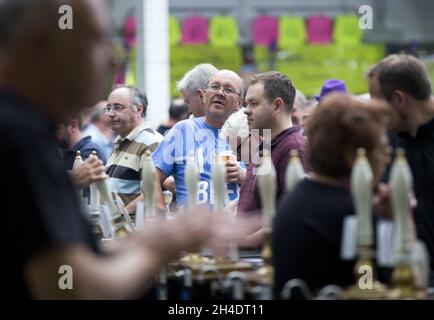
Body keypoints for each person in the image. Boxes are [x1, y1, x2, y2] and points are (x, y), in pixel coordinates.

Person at [0, 0, 256, 299]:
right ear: (38, 45)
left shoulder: (26, 130)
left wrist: (144, 241)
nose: (113, 59)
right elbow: (75, 287)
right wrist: (159, 248)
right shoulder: (18, 136)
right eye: (96, 40)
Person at [273, 93, 394, 296]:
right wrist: (395, 221)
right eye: (381, 149)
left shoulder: (294, 199)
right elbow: (379, 285)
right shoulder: (353, 211)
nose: (386, 160)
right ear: (354, 156)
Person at [367, 54, 434, 269]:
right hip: (401, 275)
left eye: (376, 102)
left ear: (399, 99)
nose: (373, 112)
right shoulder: (384, 142)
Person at [152, 70, 245, 211]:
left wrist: (243, 176)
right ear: (204, 96)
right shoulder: (182, 130)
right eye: (214, 87)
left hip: (234, 228)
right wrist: (160, 213)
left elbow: (268, 186)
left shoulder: (253, 135)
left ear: (239, 102)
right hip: (192, 228)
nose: (220, 93)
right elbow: (152, 176)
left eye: (228, 89)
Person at [239, 71, 310, 215]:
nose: (246, 111)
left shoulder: (294, 149)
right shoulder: (266, 146)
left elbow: (292, 218)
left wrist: (245, 238)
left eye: (253, 103)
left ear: (277, 106)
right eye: (246, 104)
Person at [105, 86, 163, 208]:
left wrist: (118, 218)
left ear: (138, 109)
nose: (110, 113)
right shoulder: (121, 141)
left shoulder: (151, 142)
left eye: (117, 107)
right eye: (108, 108)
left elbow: (151, 194)